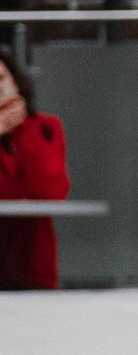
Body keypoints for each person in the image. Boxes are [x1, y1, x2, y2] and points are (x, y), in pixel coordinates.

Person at [0, 50, 70, 291]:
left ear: (15, 82)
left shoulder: (45, 127)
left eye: (0, 79)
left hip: (32, 262)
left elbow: (50, 191)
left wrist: (22, 127)